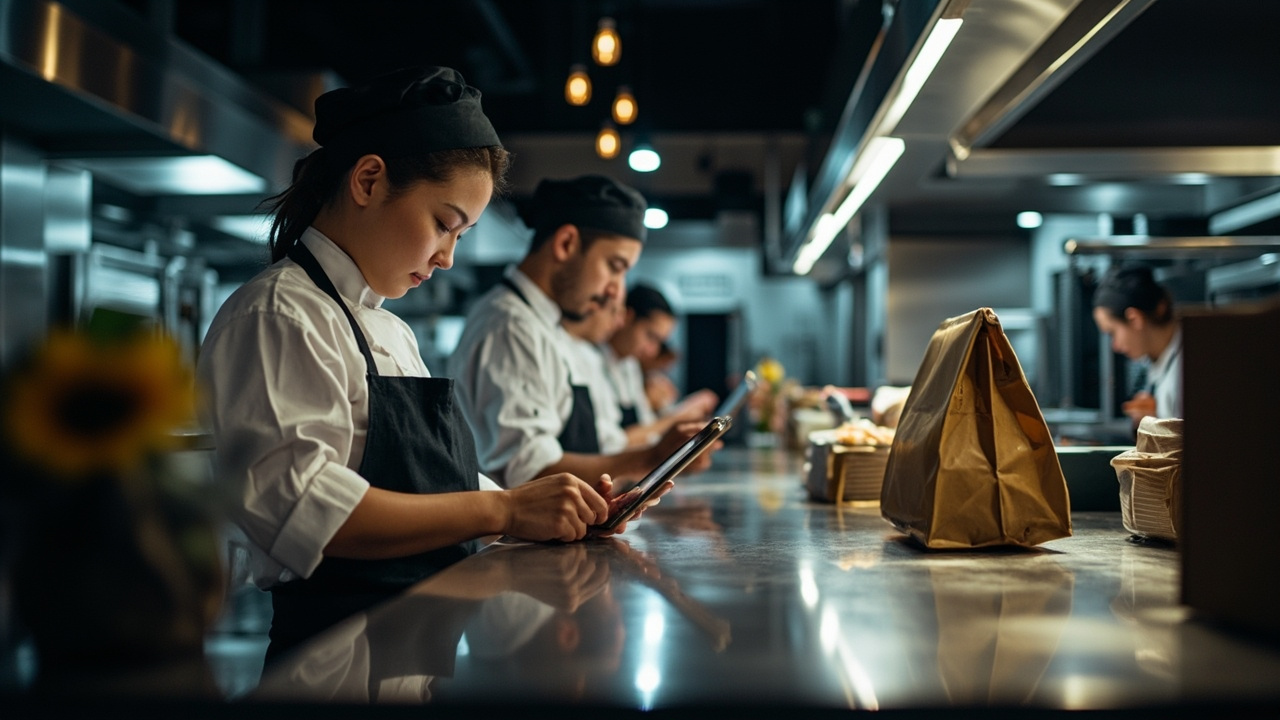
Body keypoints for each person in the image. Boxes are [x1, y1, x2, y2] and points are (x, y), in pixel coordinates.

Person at [196, 68, 648, 660]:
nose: (447, 258)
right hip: (334, 659)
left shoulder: (390, 329)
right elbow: (307, 512)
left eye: (461, 235)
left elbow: (436, 486)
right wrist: (504, 507)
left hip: (411, 647)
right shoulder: (279, 314)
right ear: (368, 180)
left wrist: (552, 512)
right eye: (444, 224)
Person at [447, 174, 719, 488]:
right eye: (615, 267)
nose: (616, 291)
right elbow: (529, 475)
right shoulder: (510, 325)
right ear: (566, 244)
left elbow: (606, 445)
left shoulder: (546, 326)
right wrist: (652, 457)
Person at [602, 284, 717, 448]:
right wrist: (678, 416)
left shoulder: (629, 366)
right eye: (650, 336)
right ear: (627, 317)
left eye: (659, 342)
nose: (653, 351)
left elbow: (647, 431)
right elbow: (611, 444)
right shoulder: (592, 360)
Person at [1092, 265, 1183, 423]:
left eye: (1112, 333)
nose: (1115, 346)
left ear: (1134, 319)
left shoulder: (1186, 371)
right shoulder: (1156, 360)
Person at [562, 295, 629, 454]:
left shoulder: (591, 356)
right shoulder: (557, 345)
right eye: (613, 311)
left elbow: (612, 438)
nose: (620, 323)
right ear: (591, 305)